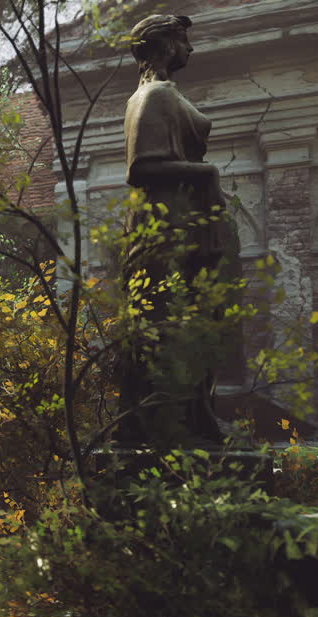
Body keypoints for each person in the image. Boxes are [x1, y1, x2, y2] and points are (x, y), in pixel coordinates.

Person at [117, 14, 237, 445]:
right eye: (184, 40)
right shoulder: (156, 94)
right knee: (173, 320)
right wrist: (209, 176)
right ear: (165, 45)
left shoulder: (149, 94)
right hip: (166, 226)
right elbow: (142, 166)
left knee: (178, 319)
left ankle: (183, 420)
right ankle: (171, 423)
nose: (191, 48)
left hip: (173, 222)